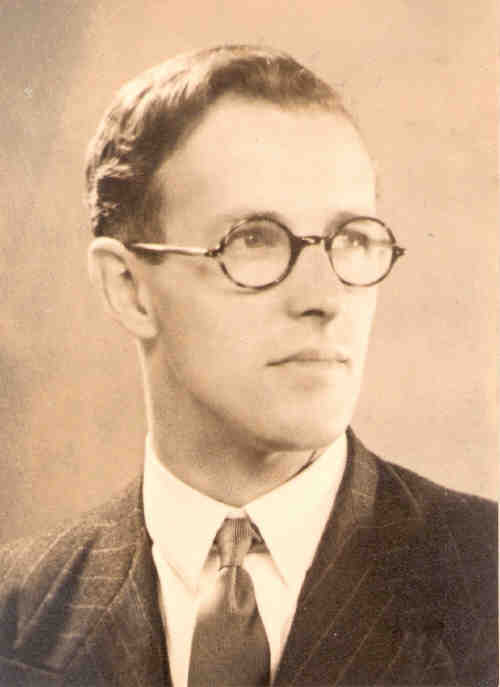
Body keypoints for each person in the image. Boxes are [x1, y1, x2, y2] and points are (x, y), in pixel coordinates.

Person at [0, 45, 496, 687]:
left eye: (351, 239)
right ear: (128, 289)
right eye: (254, 239)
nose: (324, 298)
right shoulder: (17, 608)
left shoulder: (485, 579)